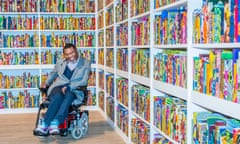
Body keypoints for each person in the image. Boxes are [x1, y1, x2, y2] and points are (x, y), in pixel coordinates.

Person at [35, 43, 91, 134]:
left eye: (72, 53)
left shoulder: (85, 63)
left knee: (68, 95)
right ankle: (46, 124)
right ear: (64, 55)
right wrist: (46, 83)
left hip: (74, 89)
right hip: (58, 86)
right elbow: (53, 74)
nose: (70, 56)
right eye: (67, 54)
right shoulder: (60, 62)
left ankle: (54, 122)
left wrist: (69, 87)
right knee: (58, 95)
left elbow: (84, 81)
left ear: (76, 51)